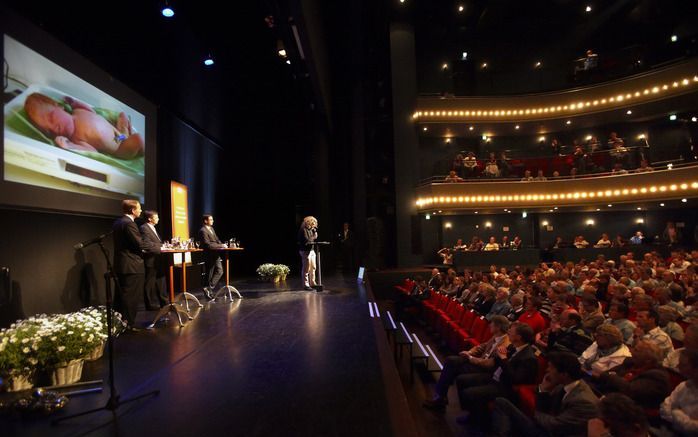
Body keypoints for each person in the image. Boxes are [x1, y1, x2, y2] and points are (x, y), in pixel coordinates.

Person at [491, 351, 599, 437]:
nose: (547, 370)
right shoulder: (563, 384)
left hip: (551, 433)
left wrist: (534, 413)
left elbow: (554, 426)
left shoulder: (583, 401)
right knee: (501, 402)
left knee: (503, 403)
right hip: (546, 426)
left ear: (564, 374)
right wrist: (543, 390)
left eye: (551, 368)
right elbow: (545, 408)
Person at [454, 322, 539, 426]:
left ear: (519, 337)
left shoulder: (529, 357)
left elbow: (515, 379)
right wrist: (498, 354)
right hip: (495, 377)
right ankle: (475, 413)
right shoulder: (513, 346)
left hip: (505, 386)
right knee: (461, 379)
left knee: (468, 393)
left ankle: (477, 420)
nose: (508, 332)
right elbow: (499, 361)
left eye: (511, 332)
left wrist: (503, 358)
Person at [422, 316, 511, 412]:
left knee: (452, 366)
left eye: (492, 324)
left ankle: (440, 398)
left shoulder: (505, 343)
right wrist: (469, 352)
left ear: (498, 327)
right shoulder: (496, 336)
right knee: (450, 361)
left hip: (484, 369)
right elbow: (482, 346)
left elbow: (490, 364)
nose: (489, 325)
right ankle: (440, 396)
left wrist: (471, 358)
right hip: (478, 361)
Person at [112, 199, 151, 330]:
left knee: (121, 296)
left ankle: (119, 323)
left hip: (122, 264)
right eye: (139, 208)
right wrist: (158, 247)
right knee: (131, 297)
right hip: (132, 266)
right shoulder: (129, 223)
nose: (141, 210)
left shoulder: (118, 222)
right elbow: (139, 244)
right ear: (133, 210)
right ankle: (128, 324)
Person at [660, 349, 698, 435]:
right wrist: (683, 419)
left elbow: (694, 428)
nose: (677, 366)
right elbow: (664, 407)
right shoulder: (683, 386)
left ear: (696, 369)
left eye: (683, 365)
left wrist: (676, 412)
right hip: (670, 430)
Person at [139, 210, 166, 310]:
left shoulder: (153, 228)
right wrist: (162, 246)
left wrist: (162, 245)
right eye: (156, 217)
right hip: (151, 259)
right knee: (150, 283)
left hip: (158, 259)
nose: (158, 219)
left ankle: (164, 302)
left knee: (161, 281)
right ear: (150, 219)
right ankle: (149, 304)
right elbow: (147, 244)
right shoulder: (144, 228)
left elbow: (156, 242)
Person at [198, 214, 226, 299]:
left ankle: (208, 288)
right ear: (205, 221)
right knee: (209, 274)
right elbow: (208, 245)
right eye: (210, 219)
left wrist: (222, 244)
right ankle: (208, 291)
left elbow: (216, 239)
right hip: (208, 254)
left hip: (215, 254)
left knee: (220, 271)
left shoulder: (212, 229)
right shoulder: (203, 231)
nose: (212, 221)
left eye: (212, 219)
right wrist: (220, 246)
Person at [297, 216, 318, 290]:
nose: (314, 225)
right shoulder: (303, 230)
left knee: (313, 267)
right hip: (305, 251)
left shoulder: (311, 230)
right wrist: (314, 236)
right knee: (306, 268)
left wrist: (314, 234)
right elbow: (307, 241)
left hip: (311, 251)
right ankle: (306, 284)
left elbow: (312, 240)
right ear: (308, 222)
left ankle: (312, 282)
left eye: (314, 224)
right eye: (313, 223)